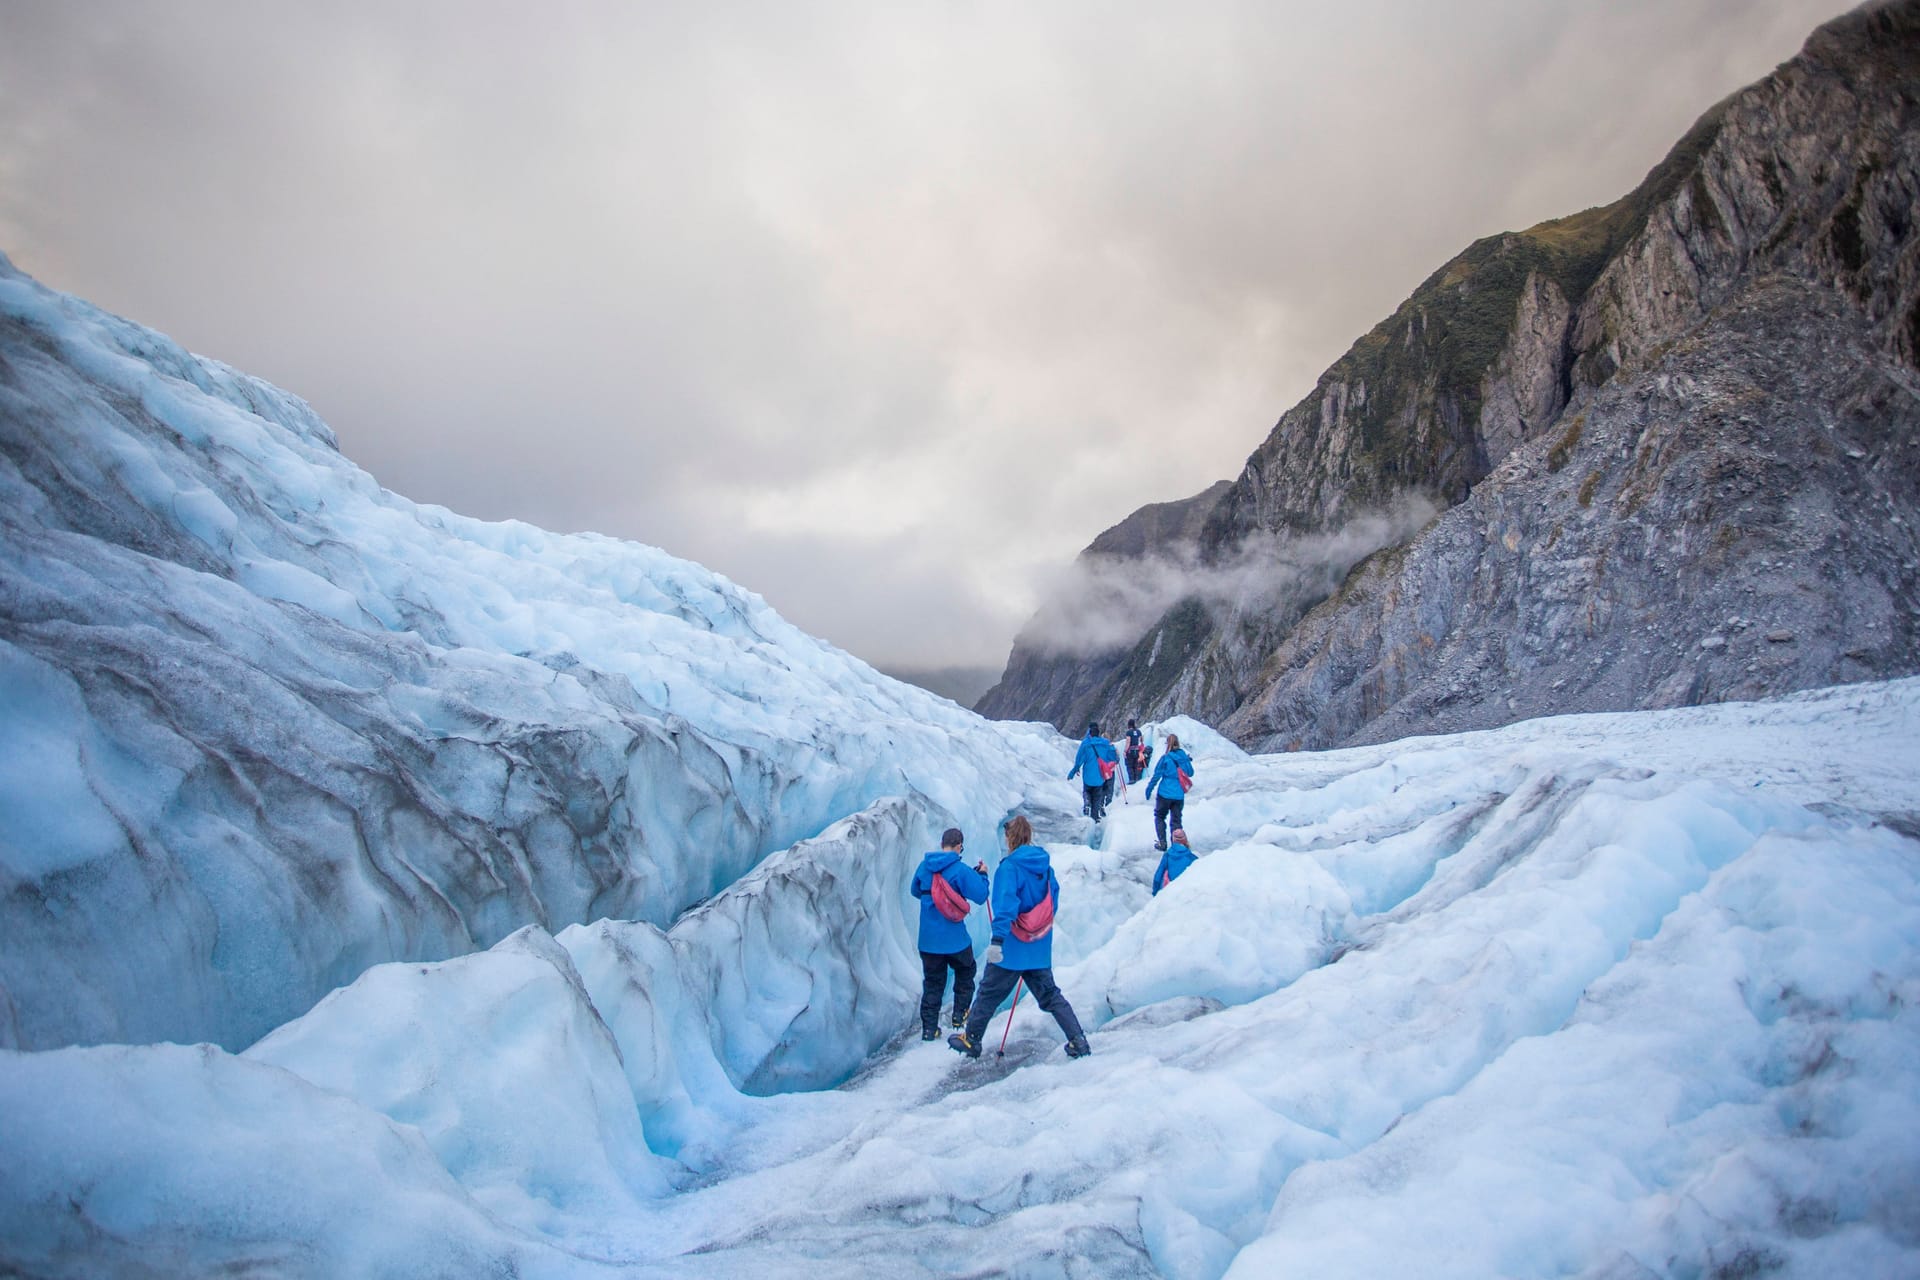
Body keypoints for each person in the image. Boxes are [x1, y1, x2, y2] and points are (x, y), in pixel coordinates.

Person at [949, 815, 1090, 1060]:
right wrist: (1037, 927)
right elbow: (1052, 900)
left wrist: (997, 941)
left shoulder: (1009, 867)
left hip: (1012, 948)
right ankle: (1078, 1040)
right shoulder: (1045, 867)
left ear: (1009, 837)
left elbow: (1006, 906)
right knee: (1050, 995)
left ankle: (971, 1040)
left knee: (988, 992)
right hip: (1038, 946)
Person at [910, 828, 990, 1040]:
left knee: (933, 983)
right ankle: (959, 1016)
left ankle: (929, 1029)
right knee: (966, 971)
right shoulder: (960, 869)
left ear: (941, 844)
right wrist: (982, 875)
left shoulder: (924, 866)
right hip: (955, 940)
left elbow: (915, 891)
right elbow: (981, 895)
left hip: (928, 940)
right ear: (958, 846)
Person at [1146, 732, 1195, 851]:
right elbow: (1190, 773)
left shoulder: (1165, 758)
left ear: (1167, 744)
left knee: (1159, 816)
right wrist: (1186, 762)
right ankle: (1177, 845)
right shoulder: (1183, 757)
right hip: (1178, 794)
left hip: (1164, 793)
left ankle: (1162, 842)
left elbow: (1157, 775)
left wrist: (1149, 789)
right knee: (1176, 820)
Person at [1069, 721, 1120, 824]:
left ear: (1090, 733)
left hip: (1088, 775)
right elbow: (1113, 758)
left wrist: (1073, 772)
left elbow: (1079, 759)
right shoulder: (1105, 744)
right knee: (1097, 796)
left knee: (1087, 791)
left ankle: (1087, 801)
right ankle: (1095, 818)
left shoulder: (1086, 744)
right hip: (1100, 777)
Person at [1151, 827, 1197, 894]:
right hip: (1186, 892)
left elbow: (1158, 876)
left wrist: (1155, 893)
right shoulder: (1192, 857)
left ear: (1173, 840)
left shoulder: (1167, 855)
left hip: (1170, 892)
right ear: (1185, 840)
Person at [1123, 719, 1150, 785]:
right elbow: (1141, 740)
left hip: (1130, 750)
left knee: (1130, 765)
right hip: (1137, 750)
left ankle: (1132, 780)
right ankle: (1136, 779)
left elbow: (1128, 742)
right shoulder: (1138, 731)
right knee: (1136, 764)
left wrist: (1125, 751)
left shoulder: (1129, 732)